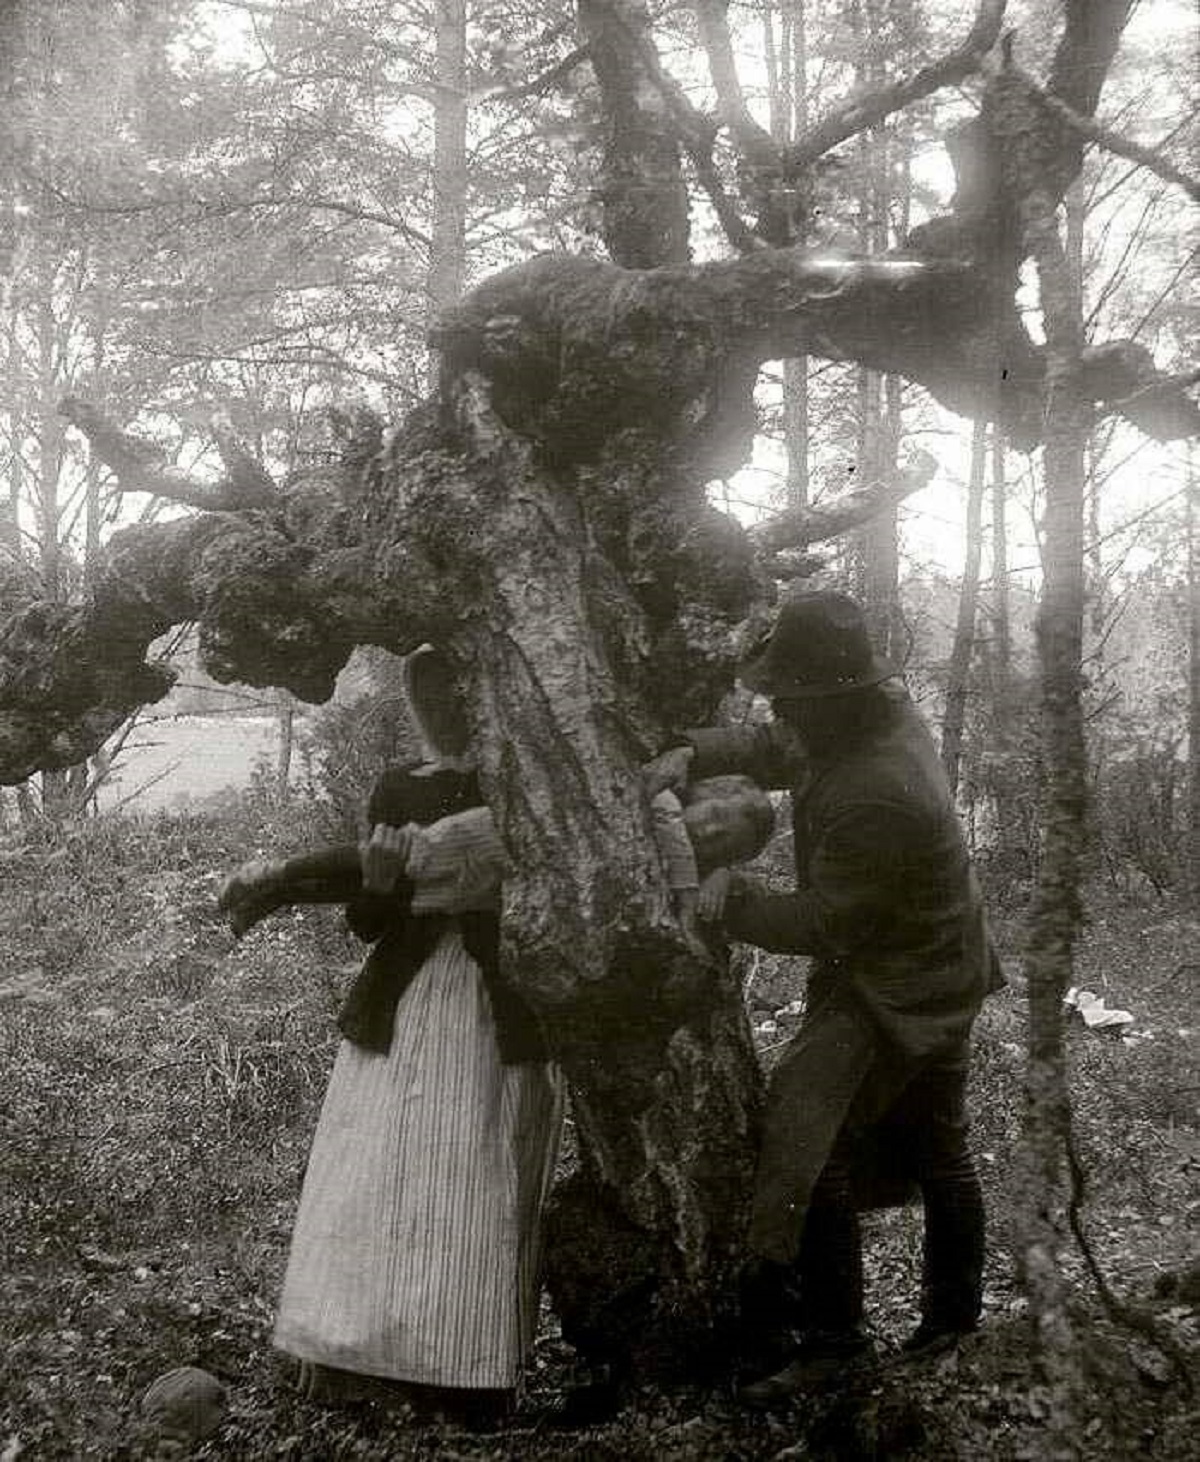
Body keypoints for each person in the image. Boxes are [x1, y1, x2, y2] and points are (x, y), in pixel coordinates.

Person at [643, 589, 1004, 1404]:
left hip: (900, 980)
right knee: (938, 1140)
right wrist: (693, 752)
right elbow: (776, 748)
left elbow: (828, 922)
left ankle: (836, 1345)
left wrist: (730, 897)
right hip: (945, 958)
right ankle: (953, 1322)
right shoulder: (869, 716)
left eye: (787, 698)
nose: (779, 712)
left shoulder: (875, 787)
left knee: (811, 1138)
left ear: (825, 698)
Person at [268, 645, 564, 1426]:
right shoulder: (401, 787)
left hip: (498, 1006)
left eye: (454, 698)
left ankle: (467, 1365)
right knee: (387, 1171)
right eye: (433, 699)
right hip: (408, 1003)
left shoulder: (528, 783)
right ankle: (370, 1345)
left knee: (479, 1169)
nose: (445, 713)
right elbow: (369, 923)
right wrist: (376, 883)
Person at [218, 776, 775, 954]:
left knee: (407, 883)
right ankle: (275, 872)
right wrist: (696, 884)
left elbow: (702, 882)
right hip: (495, 838)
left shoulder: (693, 864)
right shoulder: (665, 805)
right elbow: (679, 852)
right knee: (405, 856)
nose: (711, 830)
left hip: (498, 879)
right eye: (717, 813)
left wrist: (721, 874)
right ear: (704, 795)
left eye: (726, 842)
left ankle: (282, 892)